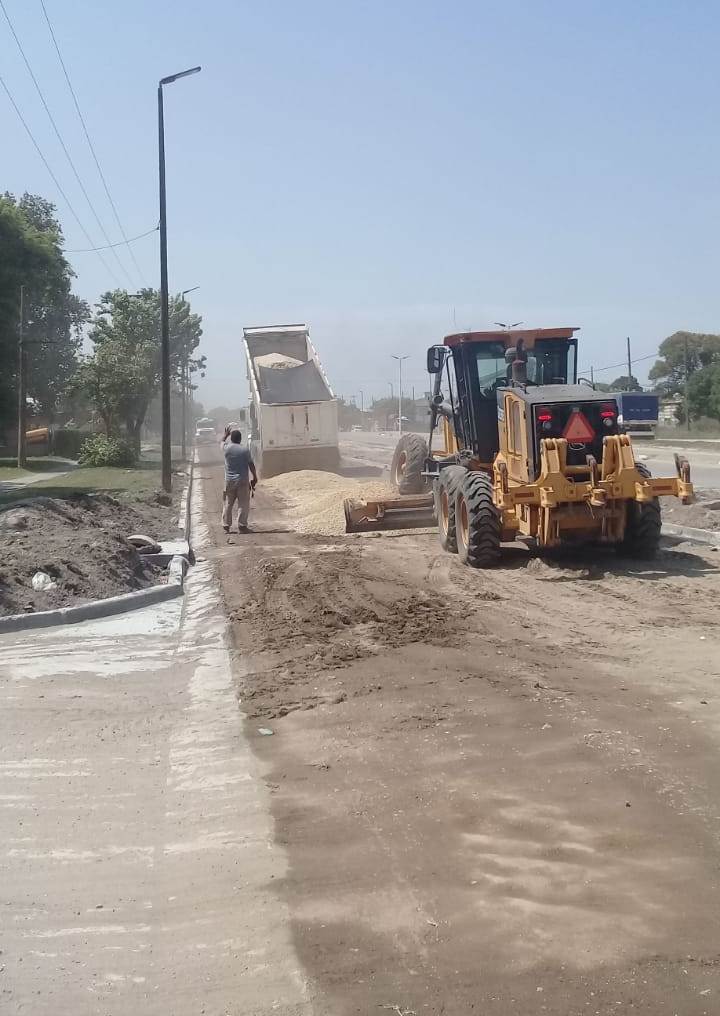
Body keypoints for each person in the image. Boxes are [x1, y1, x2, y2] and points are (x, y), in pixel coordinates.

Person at [222, 430, 257, 534]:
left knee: (228, 503)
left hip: (229, 481)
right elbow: (251, 464)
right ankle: (242, 526)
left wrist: (225, 435)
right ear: (240, 439)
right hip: (242, 480)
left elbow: (221, 442)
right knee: (243, 503)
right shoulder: (245, 450)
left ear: (231, 438)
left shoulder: (226, 448)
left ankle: (226, 524)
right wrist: (255, 477)